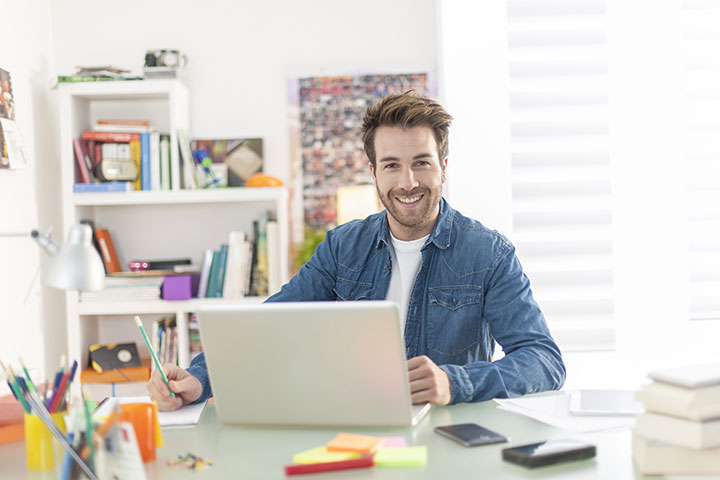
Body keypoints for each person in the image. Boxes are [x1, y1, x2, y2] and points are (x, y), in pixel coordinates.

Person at [148, 91, 566, 411]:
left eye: (422, 162)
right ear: (373, 172)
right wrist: (199, 379)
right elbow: (269, 327)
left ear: (443, 165)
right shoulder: (342, 247)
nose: (407, 182)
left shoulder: (490, 254)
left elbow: (544, 361)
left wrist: (456, 383)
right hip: (355, 430)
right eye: (391, 165)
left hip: (449, 435)